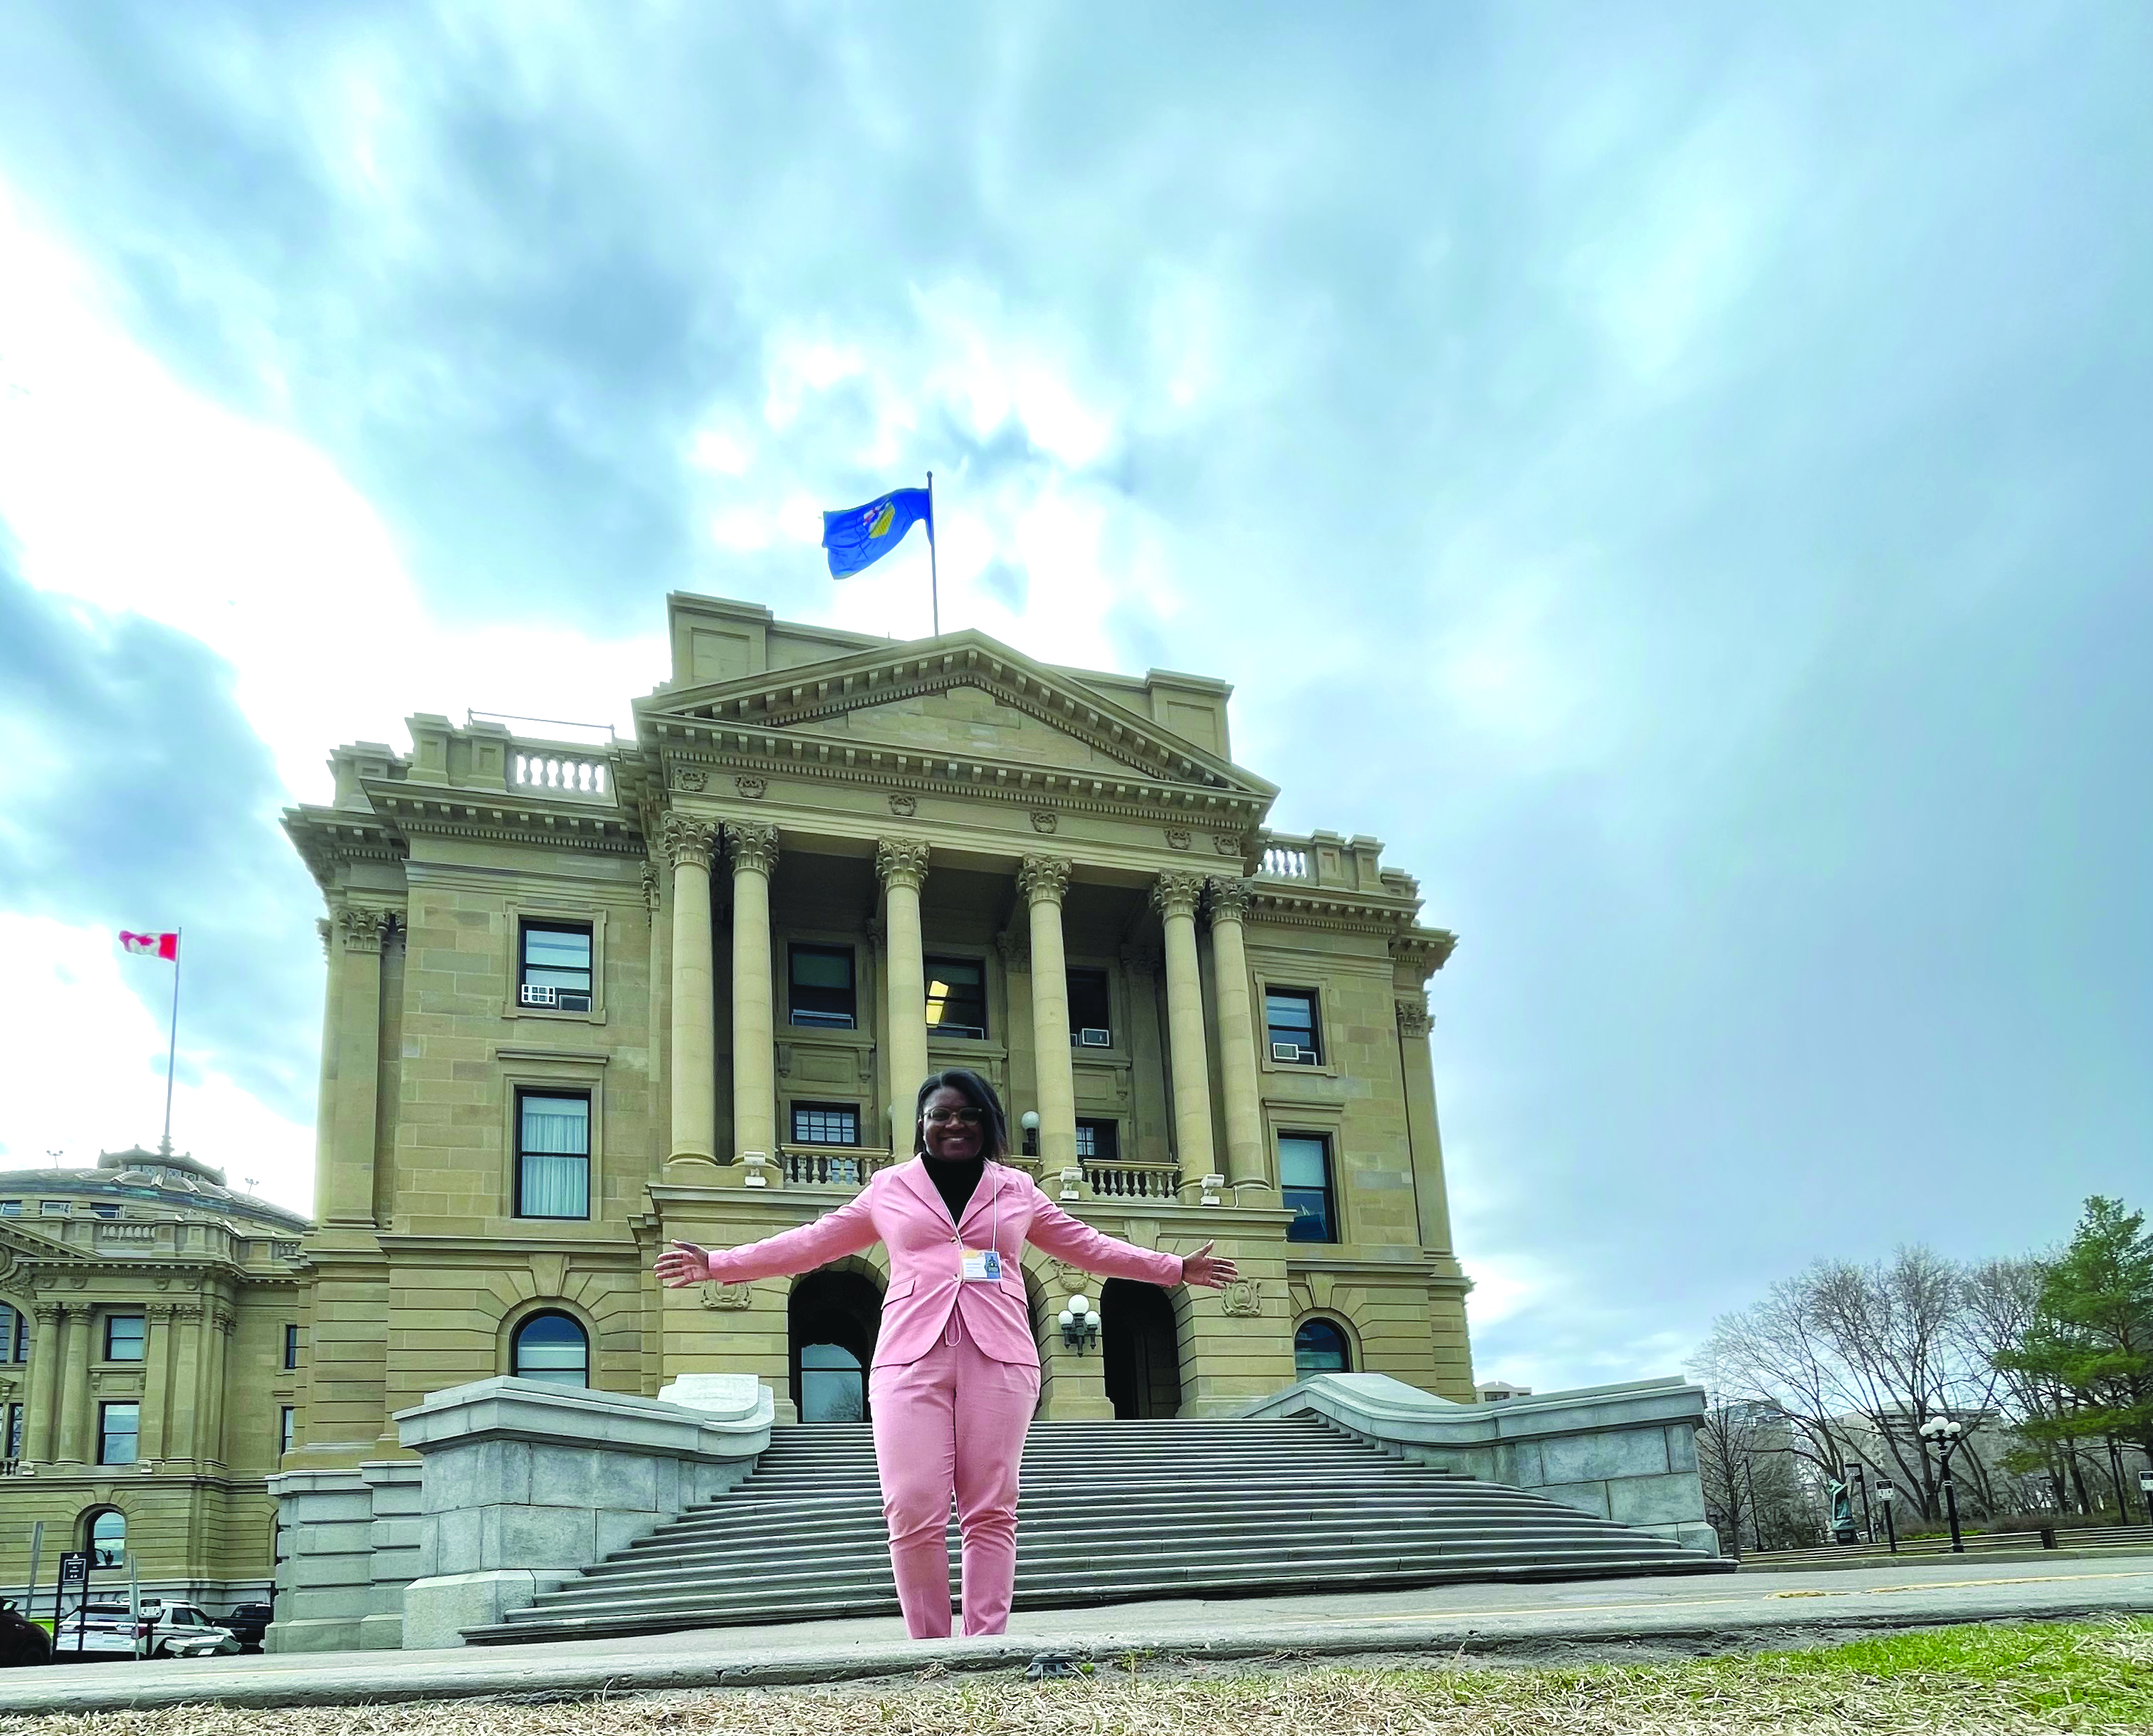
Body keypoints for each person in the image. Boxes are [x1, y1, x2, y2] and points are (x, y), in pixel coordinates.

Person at [655, 1067, 1237, 1639]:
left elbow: (1087, 1245)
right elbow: (812, 1241)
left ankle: (985, 1646)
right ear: (921, 1124)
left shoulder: (1017, 1190)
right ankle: (930, 1652)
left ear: (988, 1123)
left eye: (967, 1113)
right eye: (940, 1115)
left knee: (990, 1509)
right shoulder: (889, 1188)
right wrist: (720, 1263)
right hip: (910, 1359)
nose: (953, 1123)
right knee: (911, 1509)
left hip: (1001, 1357)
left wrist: (1174, 1267)